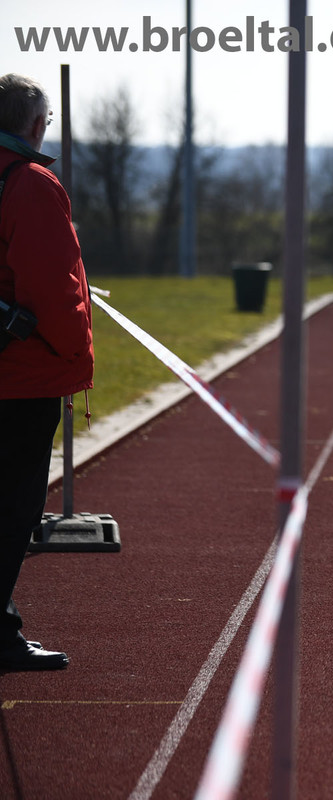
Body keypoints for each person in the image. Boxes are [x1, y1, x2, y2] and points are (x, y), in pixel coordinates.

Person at [0, 74, 94, 671]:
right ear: (35, 125)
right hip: (20, 375)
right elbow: (53, 290)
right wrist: (75, 356)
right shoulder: (30, 184)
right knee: (13, 509)